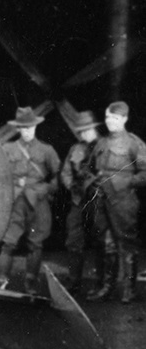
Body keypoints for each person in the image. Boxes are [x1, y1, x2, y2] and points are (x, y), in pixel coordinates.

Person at [87, 101, 146, 303]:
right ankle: (106, 288)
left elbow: (145, 174)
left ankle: (129, 290)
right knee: (105, 244)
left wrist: (124, 182)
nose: (110, 121)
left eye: (115, 118)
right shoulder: (101, 143)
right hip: (102, 198)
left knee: (127, 244)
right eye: (108, 117)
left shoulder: (134, 143)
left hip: (123, 200)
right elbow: (91, 167)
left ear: (125, 119)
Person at [0, 107, 60, 294]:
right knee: (8, 242)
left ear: (35, 127)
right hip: (15, 200)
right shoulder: (7, 149)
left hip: (38, 201)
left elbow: (58, 176)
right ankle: (2, 282)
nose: (27, 131)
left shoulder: (46, 150)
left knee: (36, 243)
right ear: (18, 129)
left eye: (30, 127)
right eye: (23, 128)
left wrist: (46, 189)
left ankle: (30, 283)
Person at [60, 111, 104, 294]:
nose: (84, 134)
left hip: (98, 198)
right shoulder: (75, 148)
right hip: (78, 199)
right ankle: (74, 280)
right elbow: (65, 171)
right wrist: (72, 185)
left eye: (87, 129)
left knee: (101, 240)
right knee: (73, 240)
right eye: (81, 131)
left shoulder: (105, 146)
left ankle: (101, 283)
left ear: (95, 127)